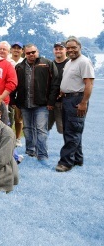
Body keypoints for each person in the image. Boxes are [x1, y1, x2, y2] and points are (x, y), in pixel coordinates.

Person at [13, 44, 59, 160]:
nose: (31, 54)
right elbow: (14, 85)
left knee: (40, 129)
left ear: (37, 51)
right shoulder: (19, 67)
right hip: (24, 103)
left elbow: (55, 83)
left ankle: (42, 154)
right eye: (28, 53)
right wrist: (13, 100)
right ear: (24, 53)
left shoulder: (47, 64)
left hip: (42, 104)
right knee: (27, 129)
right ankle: (30, 150)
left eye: (33, 52)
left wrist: (51, 102)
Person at [56, 37, 95, 172]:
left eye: (74, 47)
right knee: (71, 130)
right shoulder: (69, 62)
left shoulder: (84, 62)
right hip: (67, 99)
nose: (71, 50)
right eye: (69, 48)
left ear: (80, 47)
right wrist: (62, 92)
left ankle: (66, 163)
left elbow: (89, 84)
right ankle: (77, 159)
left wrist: (83, 102)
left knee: (72, 132)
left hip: (77, 99)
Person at [48, 41, 69, 134]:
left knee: (64, 130)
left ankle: (69, 148)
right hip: (50, 103)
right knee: (43, 128)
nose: (58, 51)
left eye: (61, 49)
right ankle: (41, 148)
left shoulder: (70, 64)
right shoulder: (49, 64)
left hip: (64, 103)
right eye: (56, 49)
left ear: (66, 50)